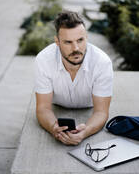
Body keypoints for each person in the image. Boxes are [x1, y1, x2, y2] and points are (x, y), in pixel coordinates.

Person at [34, 11, 113, 145]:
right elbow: (43, 108)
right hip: (57, 105)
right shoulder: (43, 60)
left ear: (86, 37)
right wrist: (54, 128)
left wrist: (85, 131)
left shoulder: (102, 62)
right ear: (57, 42)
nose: (76, 48)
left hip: (88, 107)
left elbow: (101, 112)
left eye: (80, 40)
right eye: (68, 42)